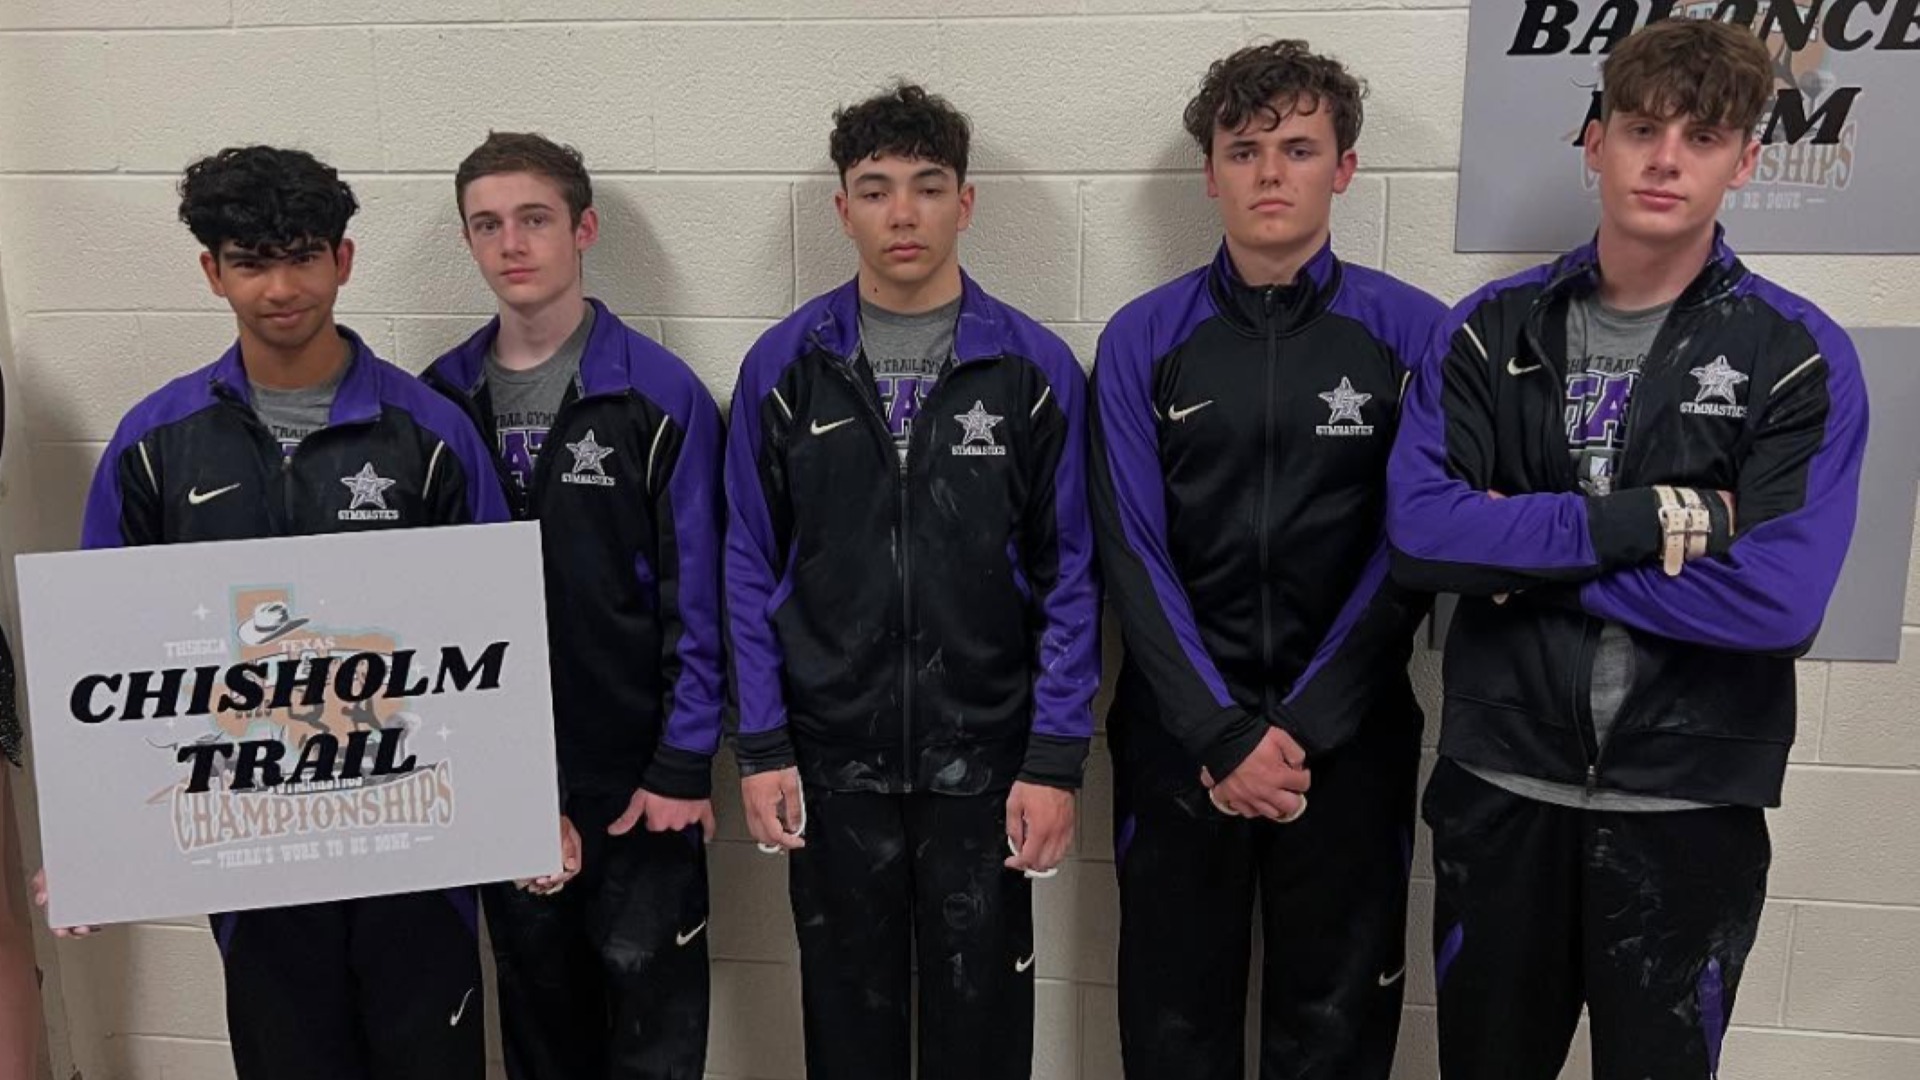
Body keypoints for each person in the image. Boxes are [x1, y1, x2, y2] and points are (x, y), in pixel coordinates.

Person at [1386, 18, 1867, 1079]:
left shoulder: (1796, 356)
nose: (1666, 159)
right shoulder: (1487, 332)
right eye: (1643, 129)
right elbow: (1423, 534)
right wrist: (1657, 521)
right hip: (1501, 792)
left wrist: (1524, 562)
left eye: (1703, 137)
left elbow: (1779, 601)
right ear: (1595, 142)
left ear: (1746, 161)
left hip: (1688, 810)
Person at [54, 145, 511, 1080]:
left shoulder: (430, 434)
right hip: (252, 854)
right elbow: (110, 655)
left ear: (343, 260)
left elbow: (499, 641)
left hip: (413, 845)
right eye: (251, 262)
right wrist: (92, 842)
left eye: (302, 257)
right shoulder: (155, 445)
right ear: (211, 271)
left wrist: (524, 808)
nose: (280, 288)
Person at [723, 82, 1099, 1080]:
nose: (902, 212)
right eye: (876, 188)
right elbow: (747, 565)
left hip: (986, 760)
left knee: (982, 1032)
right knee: (849, 1032)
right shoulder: (784, 368)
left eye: (928, 187)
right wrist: (762, 744)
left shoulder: (1033, 370)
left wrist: (1055, 759)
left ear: (964, 204)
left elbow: (1071, 573)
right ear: (841, 208)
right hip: (830, 759)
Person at [1089, 40, 1444, 1080]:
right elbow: (1131, 549)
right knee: (1173, 1025)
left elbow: (1413, 547)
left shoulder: (1415, 335)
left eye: (1298, 149)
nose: (1270, 174)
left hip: (1349, 737)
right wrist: (1218, 731)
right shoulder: (1142, 339)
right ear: (1211, 174)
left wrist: (1305, 724)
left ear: (1345, 167)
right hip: (1179, 738)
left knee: (1334, 1030)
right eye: (1244, 151)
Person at [422, 132, 723, 1080]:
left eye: (534, 219)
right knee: (541, 1029)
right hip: (500, 777)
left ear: (583, 229)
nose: (512, 243)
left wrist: (682, 761)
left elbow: (700, 596)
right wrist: (481, 778)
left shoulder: (660, 397)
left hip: (639, 781)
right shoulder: (435, 404)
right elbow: (421, 609)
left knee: (654, 1033)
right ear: (468, 241)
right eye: (487, 225)